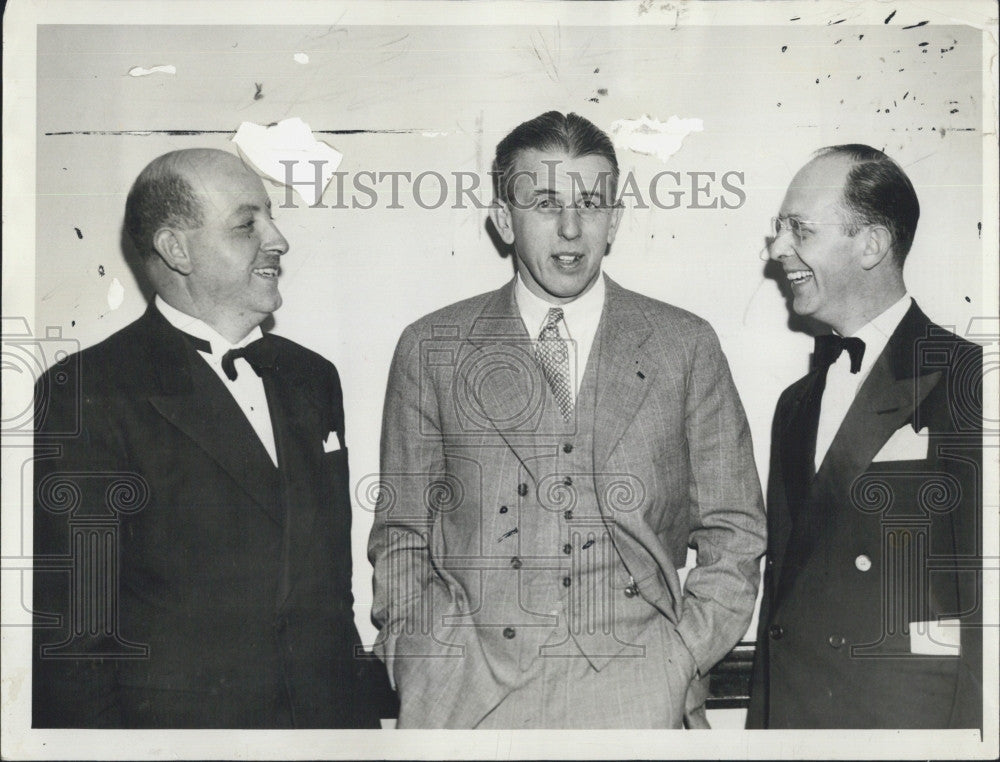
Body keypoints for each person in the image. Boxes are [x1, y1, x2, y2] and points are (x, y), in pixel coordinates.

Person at [368, 111, 766, 728]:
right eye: (546, 202)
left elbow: (735, 529)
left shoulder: (684, 345)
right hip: (471, 701)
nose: (572, 228)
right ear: (504, 219)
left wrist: (680, 656)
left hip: (642, 698)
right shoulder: (431, 347)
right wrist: (422, 659)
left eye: (592, 202)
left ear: (616, 220)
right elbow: (401, 536)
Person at [32, 148, 394, 728]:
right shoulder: (85, 392)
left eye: (270, 217)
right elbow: (76, 642)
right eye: (247, 224)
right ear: (177, 250)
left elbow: (330, 592)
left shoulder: (312, 377)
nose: (278, 239)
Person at [747, 145, 983, 729]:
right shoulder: (794, 406)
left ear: (872, 245)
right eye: (779, 229)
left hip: (906, 726)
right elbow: (783, 595)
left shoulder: (971, 381)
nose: (778, 249)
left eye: (799, 228)